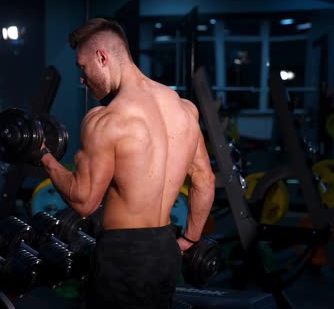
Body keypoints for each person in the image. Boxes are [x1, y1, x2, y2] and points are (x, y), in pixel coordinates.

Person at [38, 17, 215, 308]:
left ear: (102, 57)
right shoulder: (184, 109)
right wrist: (191, 240)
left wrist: (44, 156)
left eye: (82, 67)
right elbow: (205, 181)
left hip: (123, 256)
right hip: (166, 249)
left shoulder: (106, 120)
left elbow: (84, 201)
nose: (82, 78)